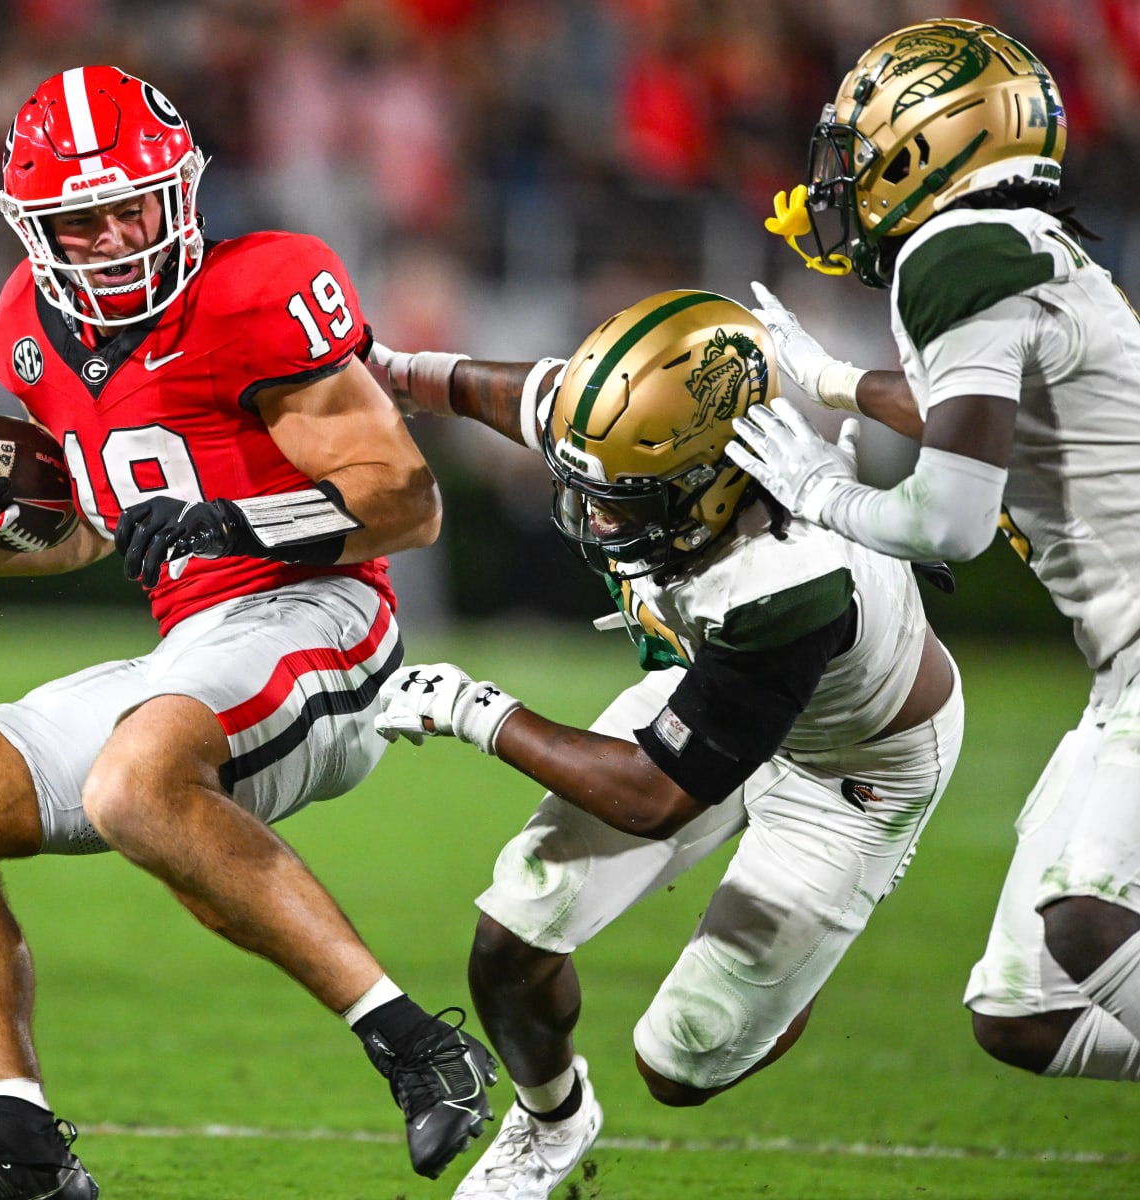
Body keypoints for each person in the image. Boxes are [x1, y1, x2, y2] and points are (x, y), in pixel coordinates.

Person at [0, 65, 494, 1200]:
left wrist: (229, 517)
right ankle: (22, 1158)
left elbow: (408, 502)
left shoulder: (262, 287)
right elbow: (113, 532)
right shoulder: (25, 325)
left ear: (181, 192)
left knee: (133, 784)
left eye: (134, 206)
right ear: (35, 230)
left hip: (328, 614)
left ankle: (419, 1047)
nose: (115, 236)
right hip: (195, 643)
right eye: (84, 219)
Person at [369, 289, 962, 1198]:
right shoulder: (642, 429)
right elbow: (524, 395)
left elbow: (654, 792)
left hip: (853, 768)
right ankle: (552, 1123)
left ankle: (789, 979)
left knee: (679, 1065)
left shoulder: (791, 574)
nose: (597, 518)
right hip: (716, 683)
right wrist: (401, 375)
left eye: (622, 499)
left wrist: (473, 709)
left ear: (721, 475)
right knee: (512, 933)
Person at [725, 18, 1140, 1083]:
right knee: (1026, 1013)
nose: (839, 181)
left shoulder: (954, 251)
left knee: (1092, 927)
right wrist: (832, 383)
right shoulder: (1010, 246)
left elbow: (952, 520)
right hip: (1120, 670)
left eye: (858, 154)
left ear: (929, 146)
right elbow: (976, 416)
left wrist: (818, 486)